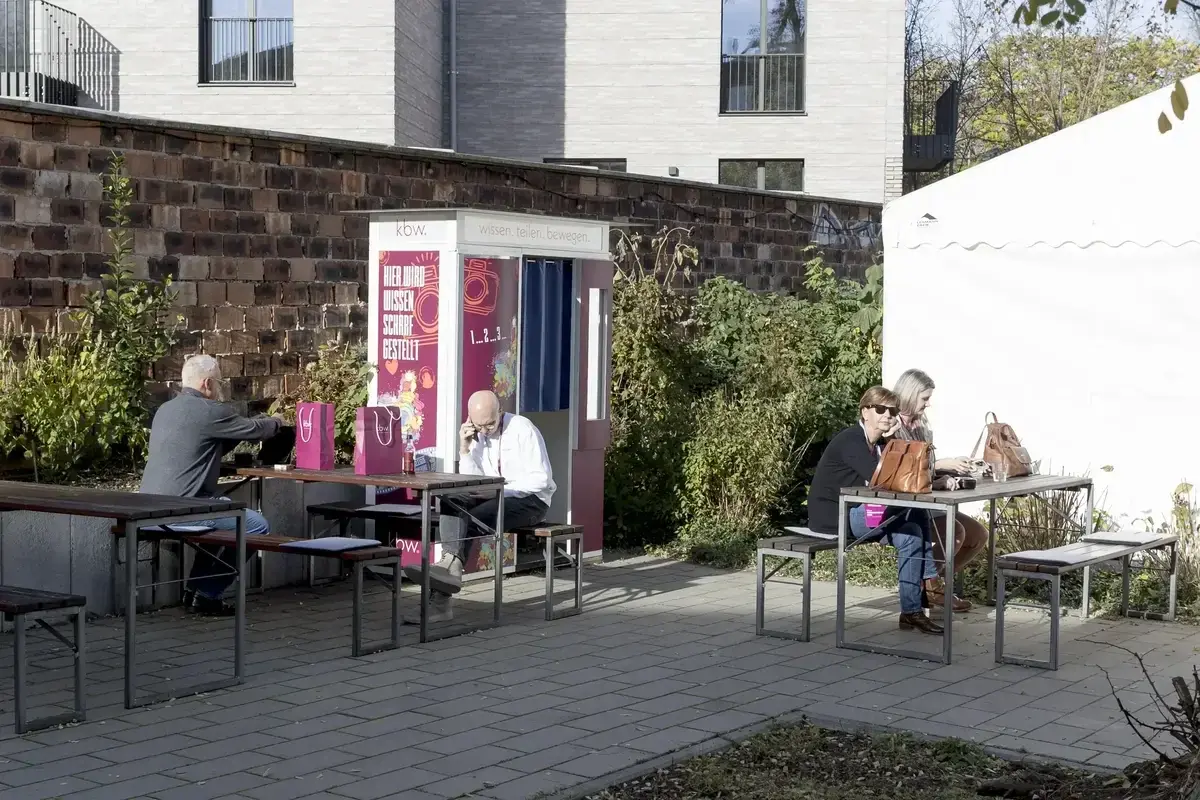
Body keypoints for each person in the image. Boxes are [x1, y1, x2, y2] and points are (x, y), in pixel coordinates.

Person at [139, 355, 280, 616]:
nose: (220, 388)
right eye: (219, 382)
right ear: (206, 383)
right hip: (182, 510)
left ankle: (195, 593)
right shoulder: (210, 411)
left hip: (148, 507)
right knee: (257, 526)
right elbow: (256, 430)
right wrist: (277, 421)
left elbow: (202, 441)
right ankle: (207, 593)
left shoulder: (164, 410)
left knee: (220, 515)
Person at [403, 390, 554, 623]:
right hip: (492, 496)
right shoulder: (476, 435)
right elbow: (470, 481)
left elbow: (541, 480)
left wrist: (497, 489)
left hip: (530, 500)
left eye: (490, 424)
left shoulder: (523, 429)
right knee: (452, 498)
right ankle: (449, 567)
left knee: (472, 518)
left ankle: (444, 585)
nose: (485, 430)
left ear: (500, 411)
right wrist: (464, 448)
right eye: (479, 425)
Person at [807, 386, 943, 634]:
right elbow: (882, 480)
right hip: (835, 517)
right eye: (880, 409)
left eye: (892, 411)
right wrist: (891, 442)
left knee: (912, 532)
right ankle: (931, 580)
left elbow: (895, 479)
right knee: (917, 511)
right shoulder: (851, 440)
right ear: (865, 411)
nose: (887, 415)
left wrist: (889, 441)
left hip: (861, 512)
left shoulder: (877, 444)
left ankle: (911, 612)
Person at [893, 368, 986, 613]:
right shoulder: (892, 427)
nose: (928, 404)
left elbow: (925, 468)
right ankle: (931, 588)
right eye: (924, 398)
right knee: (955, 532)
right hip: (904, 506)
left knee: (978, 535)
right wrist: (941, 470)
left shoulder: (921, 426)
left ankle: (931, 585)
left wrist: (946, 473)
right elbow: (904, 473)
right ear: (910, 395)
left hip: (927, 501)